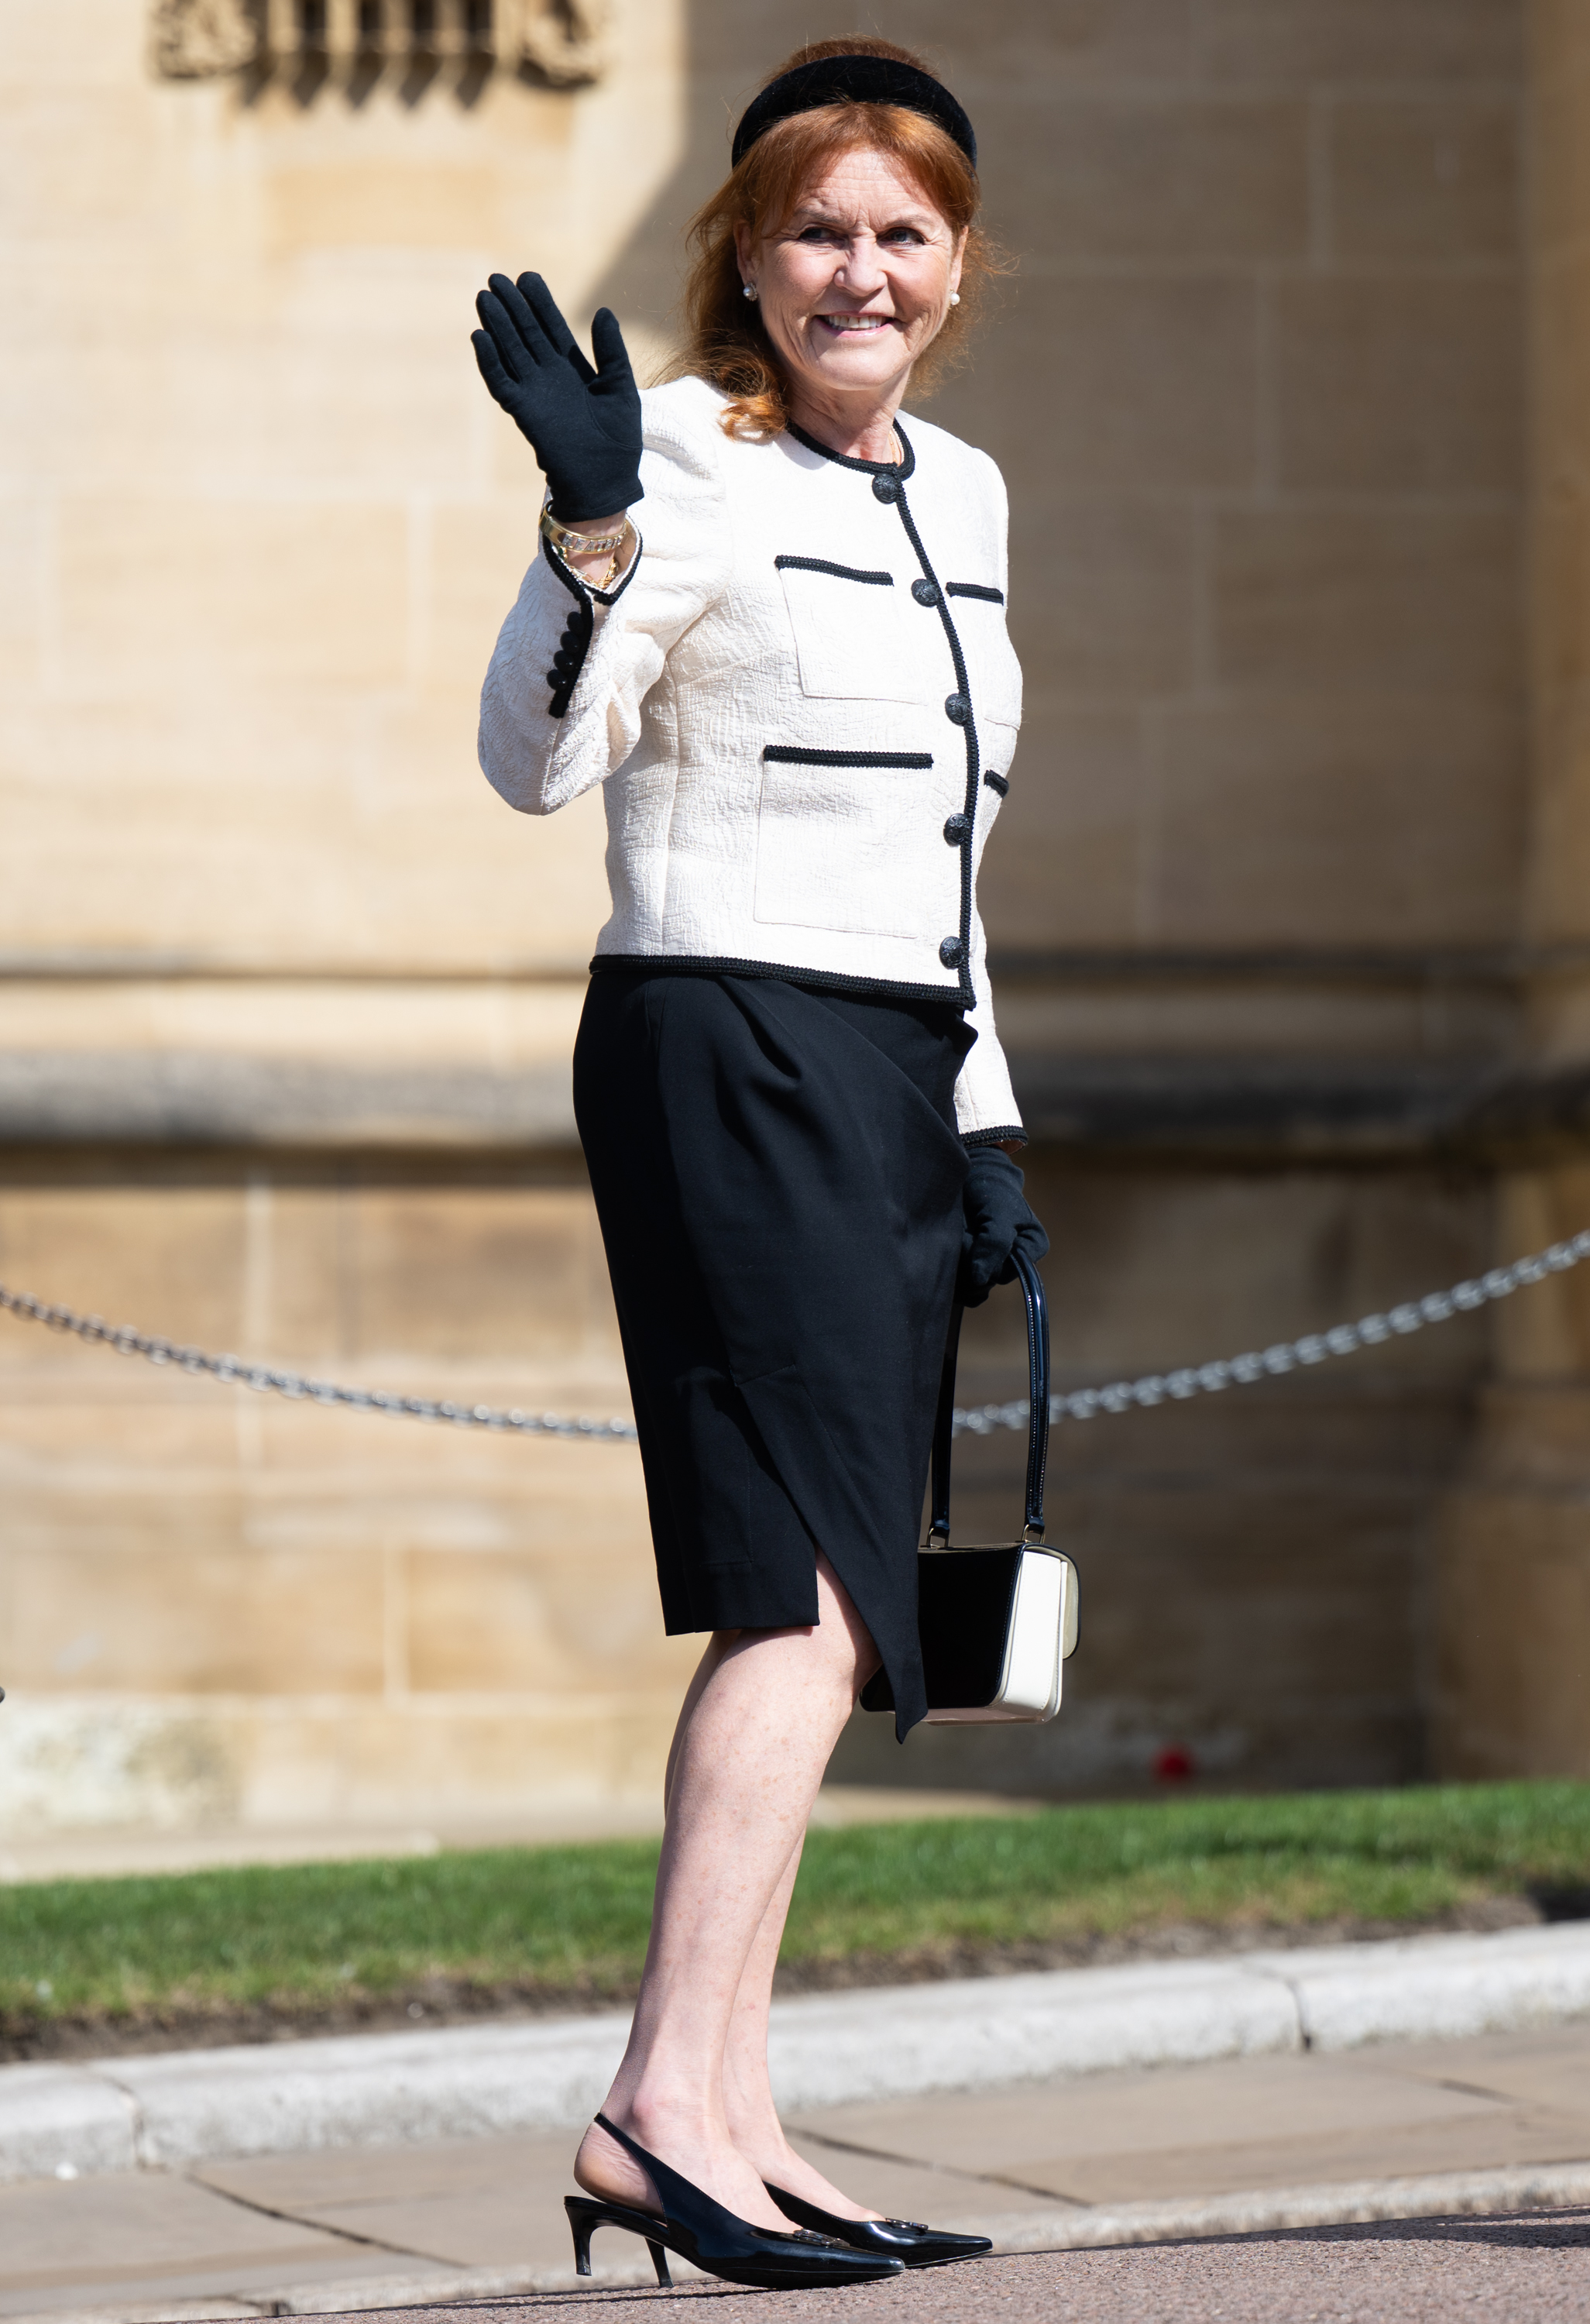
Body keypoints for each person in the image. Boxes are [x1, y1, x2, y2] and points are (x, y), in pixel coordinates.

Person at [472, 37, 1047, 2293]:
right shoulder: (687, 467)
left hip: (898, 1072)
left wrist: (988, 1124)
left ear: (958, 267)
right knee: (800, 1601)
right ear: (747, 250)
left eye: (903, 232)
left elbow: (956, 852)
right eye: (818, 227)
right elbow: (531, 769)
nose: (861, 269)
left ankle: (734, 2107)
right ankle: (652, 2109)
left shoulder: (974, 493)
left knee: (843, 1615)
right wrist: (587, 530)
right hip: (727, 1045)